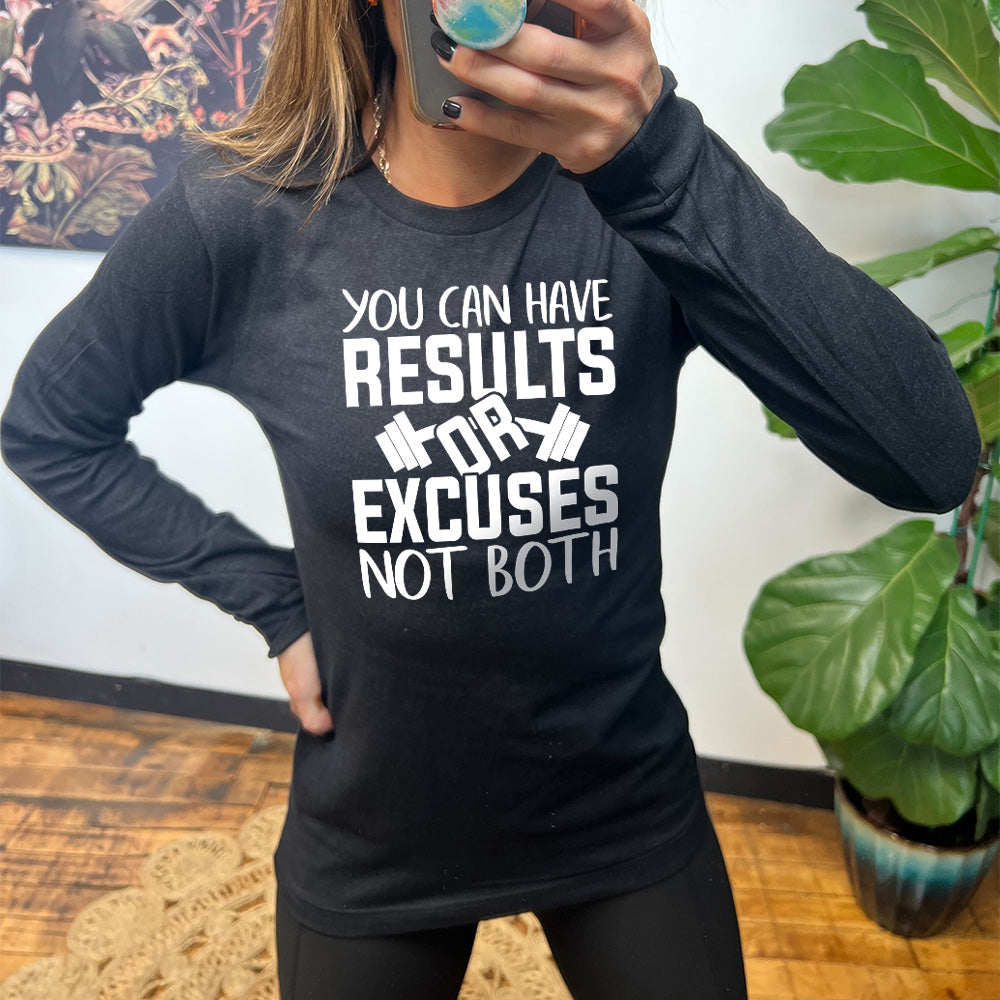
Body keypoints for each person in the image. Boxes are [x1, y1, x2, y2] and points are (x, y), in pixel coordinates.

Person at [0, 0, 982, 996]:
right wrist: (275, 600)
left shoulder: (645, 192)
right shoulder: (245, 213)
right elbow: (50, 424)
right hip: (377, 825)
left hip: (620, 803)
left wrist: (659, 158)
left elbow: (930, 459)